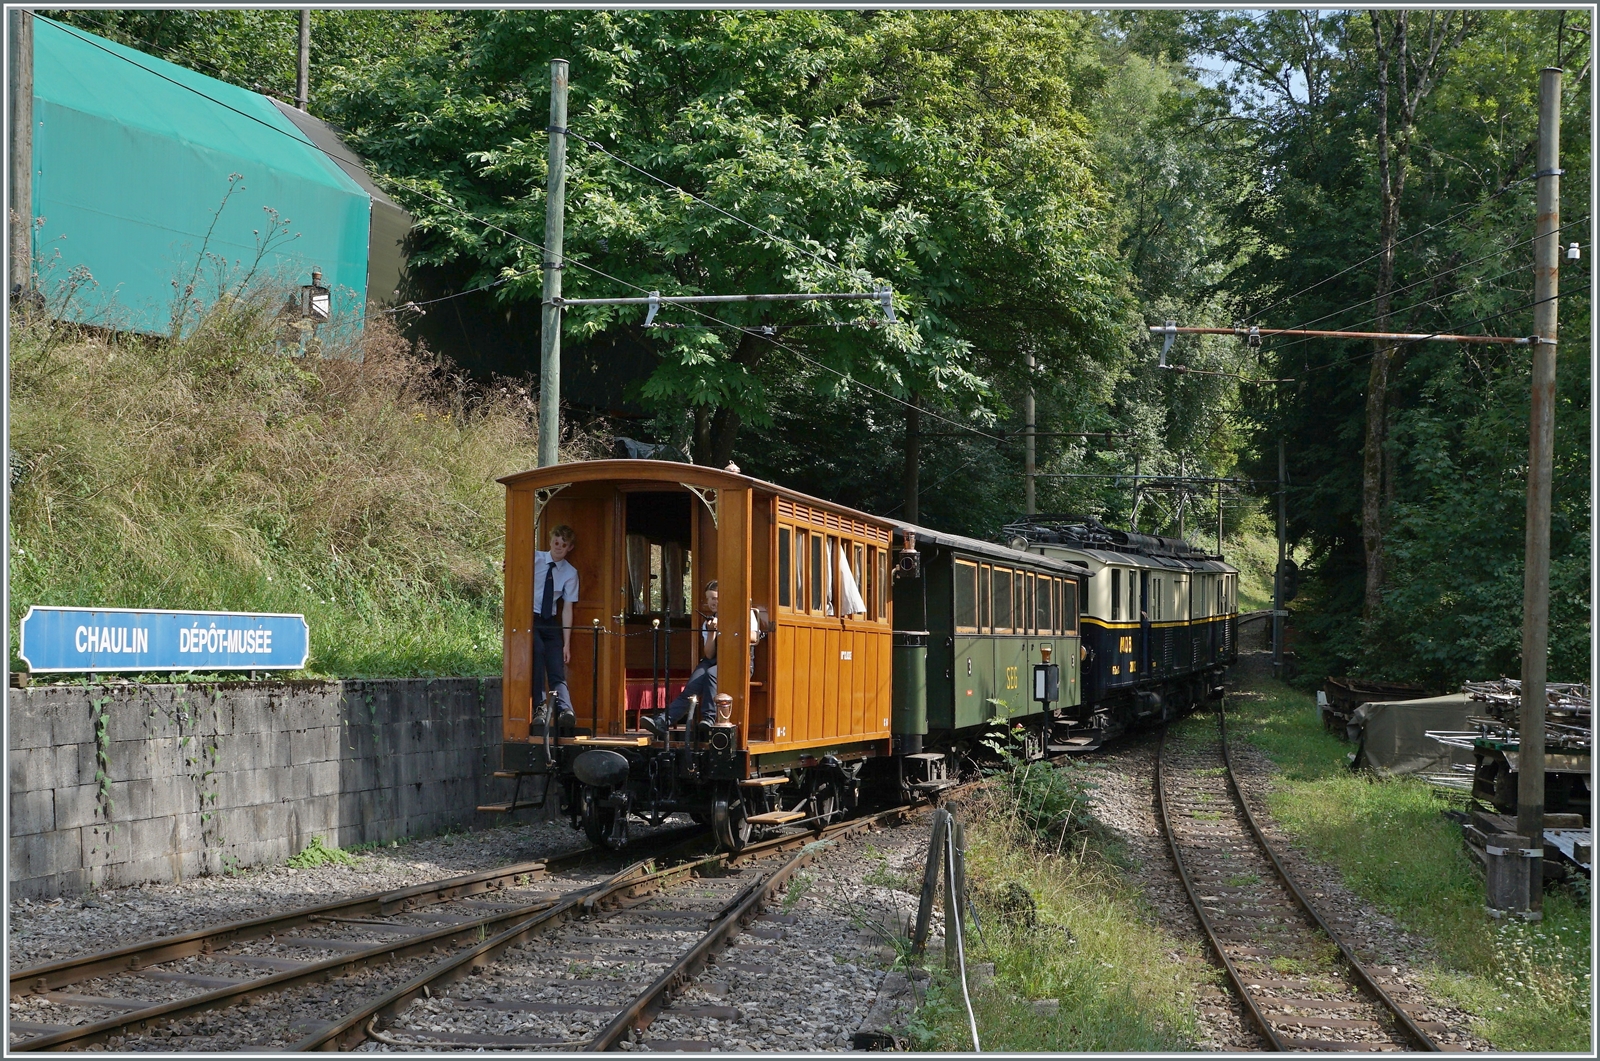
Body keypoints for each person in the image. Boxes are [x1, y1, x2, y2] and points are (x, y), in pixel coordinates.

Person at [640, 580, 760, 737]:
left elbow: (753, 636)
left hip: (738, 662)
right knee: (692, 685)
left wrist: (725, 626)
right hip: (713, 660)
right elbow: (709, 654)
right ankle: (662, 722)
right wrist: (712, 631)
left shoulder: (745, 613)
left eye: (716, 598)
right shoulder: (708, 622)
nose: (712, 602)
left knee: (711, 674)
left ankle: (709, 719)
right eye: (710, 598)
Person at [531, 525, 579, 724]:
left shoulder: (570, 572)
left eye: (564, 544)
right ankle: (539, 709)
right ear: (550, 542)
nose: (559, 547)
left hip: (549, 621)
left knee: (556, 663)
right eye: (556, 542)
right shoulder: (534, 558)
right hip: (530, 618)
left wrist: (566, 643)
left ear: (570, 548)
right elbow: (514, 569)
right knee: (538, 651)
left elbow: (567, 608)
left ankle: (565, 710)